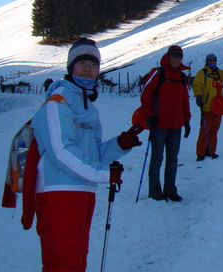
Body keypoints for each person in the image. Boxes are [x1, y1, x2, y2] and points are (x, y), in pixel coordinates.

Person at [30, 37, 143, 272]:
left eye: (93, 64)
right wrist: (103, 174)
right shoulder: (57, 102)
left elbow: (92, 155)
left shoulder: (87, 107)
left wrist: (120, 144)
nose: (88, 68)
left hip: (81, 191)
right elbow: (60, 152)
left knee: (76, 261)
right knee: (64, 264)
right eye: (82, 62)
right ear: (71, 67)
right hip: (58, 192)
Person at [142, 45, 191, 201]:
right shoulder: (158, 73)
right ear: (168, 56)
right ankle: (155, 191)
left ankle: (170, 190)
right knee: (157, 158)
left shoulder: (182, 77)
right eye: (174, 56)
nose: (176, 59)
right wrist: (149, 115)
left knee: (172, 158)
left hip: (176, 125)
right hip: (159, 124)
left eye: (179, 56)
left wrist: (187, 120)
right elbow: (145, 94)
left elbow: (185, 100)